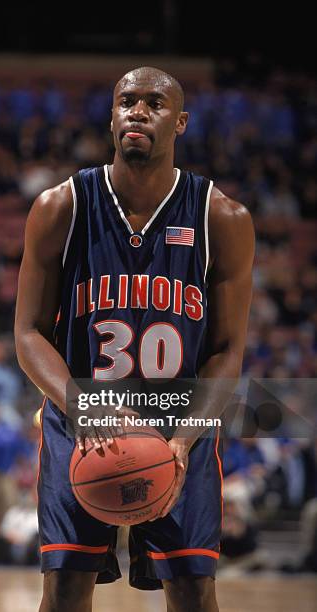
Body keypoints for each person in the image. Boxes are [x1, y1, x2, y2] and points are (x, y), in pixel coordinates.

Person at [14, 67, 254, 612]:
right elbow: (27, 333)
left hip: (176, 421)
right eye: (127, 101)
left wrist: (186, 438)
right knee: (66, 586)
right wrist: (82, 406)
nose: (138, 112)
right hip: (83, 418)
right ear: (112, 117)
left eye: (155, 103)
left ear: (182, 122)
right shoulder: (61, 207)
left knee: (194, 591)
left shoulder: (223, 217)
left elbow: (227, 352)